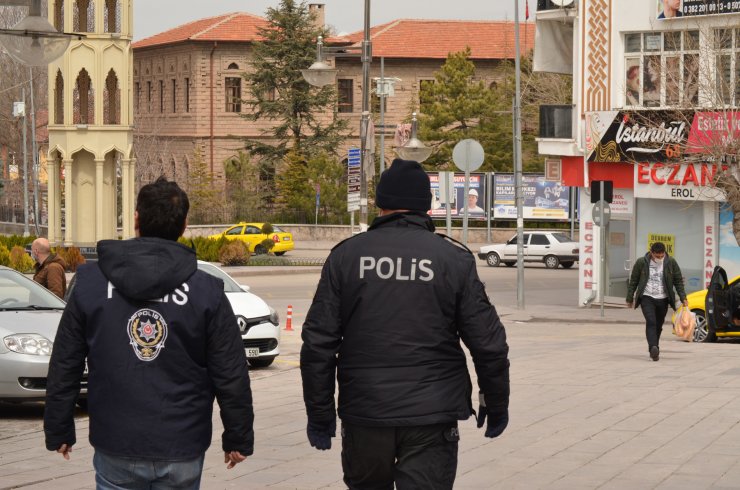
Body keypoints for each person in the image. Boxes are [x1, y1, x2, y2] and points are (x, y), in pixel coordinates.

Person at [301, 158, 510, 489]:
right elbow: (489, 344)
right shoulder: (452, 259)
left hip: (366, 412)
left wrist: (319, 413)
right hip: (432, 414)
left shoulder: (346, 257)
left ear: (380, 204)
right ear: (426, 207)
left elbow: (318, 344)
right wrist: (495, 403)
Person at [44, 177, 254, 488]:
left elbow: (66, 362)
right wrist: (238, 436)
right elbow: (231, 372)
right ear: (184, 225)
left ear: (136, 220)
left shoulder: (90, 283)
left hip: (117, 442)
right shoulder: (205, 291)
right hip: (181, 442)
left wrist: (59, 427)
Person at [626, 241, 687, 361]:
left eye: (661, 256)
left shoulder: (671, 262)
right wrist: (629, 298)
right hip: (647, 297)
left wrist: (683, 297)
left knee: (658, 325)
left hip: (663, 298)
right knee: (651, 321)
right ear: (651, 253)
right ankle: (653, 347)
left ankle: (655, 347)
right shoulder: (641, 262)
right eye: (657, 256)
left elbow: (678, 280)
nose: (659, 258)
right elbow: (633, 281)